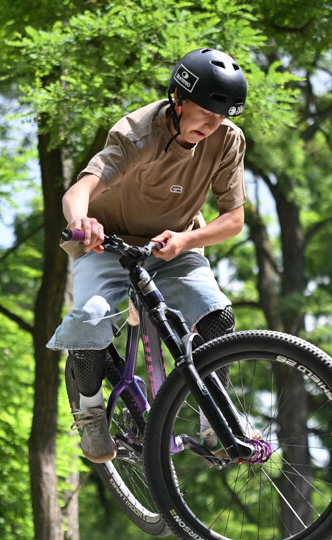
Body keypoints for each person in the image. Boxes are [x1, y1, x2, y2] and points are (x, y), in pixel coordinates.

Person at [47, 47, 248, 463]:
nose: (213, 124)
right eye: (206, 113)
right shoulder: (136, 134)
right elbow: (78, 192)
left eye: (223, 115)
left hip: (174, 244)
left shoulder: (227, 140)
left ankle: (217, 421)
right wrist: (84, 223)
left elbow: (233, 219)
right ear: (178, 99)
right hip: (109, 245)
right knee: (90, 320)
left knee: (217, 315)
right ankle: (89, 411)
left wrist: (185, 241)